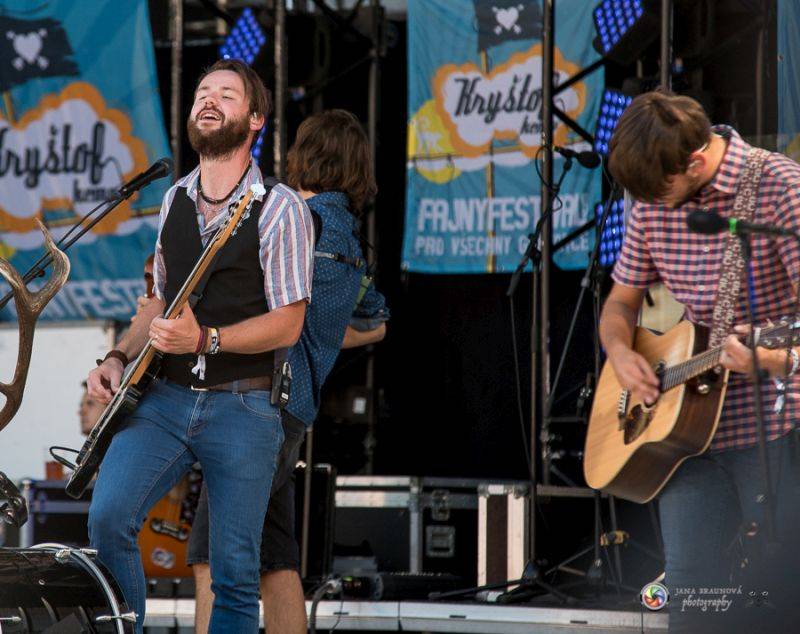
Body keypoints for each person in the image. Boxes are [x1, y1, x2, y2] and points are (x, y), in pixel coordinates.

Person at [85, 59, 314, 633]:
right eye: (202, 93)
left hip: (245, 404)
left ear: (256, 119)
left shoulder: (281, 207)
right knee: (108, 518)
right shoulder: (175, 199)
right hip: (165, 397)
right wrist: (117, 357)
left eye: (227, 95)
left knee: (234, 573)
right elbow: (159, 303)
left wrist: (206, 339)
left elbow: (289, 323)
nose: (209, 100)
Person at [601, 90, 800, 632]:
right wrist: (621, 352)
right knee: (693, 597)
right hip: (686, 438)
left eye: (659, 194)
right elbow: (620, 304)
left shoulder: (779, 187)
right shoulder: (651, 198)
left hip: (775, 427)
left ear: (694, 162)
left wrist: (772, 360)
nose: (652, 206)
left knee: (779, 593)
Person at [189, 109, 389, 634]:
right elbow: (375, 324)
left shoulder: (290, 219)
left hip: (254, 407)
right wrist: (317, 334)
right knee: (276, 563)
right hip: (293, 411)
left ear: (303, 156)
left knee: (211, 556)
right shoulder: (350, 241)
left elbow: (262, 308)